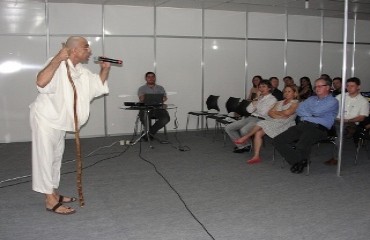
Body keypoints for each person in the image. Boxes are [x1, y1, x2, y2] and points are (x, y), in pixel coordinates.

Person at [29, 36, 111, 214]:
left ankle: (53, 192)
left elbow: (97, 87)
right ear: (73, 50)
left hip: (59, 121)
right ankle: (49, 200)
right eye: (85, 47)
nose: (89, 51)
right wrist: (58, 58)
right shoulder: (56, 63)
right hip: (45, 118)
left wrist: (104, 70)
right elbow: (41, 82)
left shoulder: (81, 70)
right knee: (44, 158)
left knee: (56, 157)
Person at [273, 78, 338, 174]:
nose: (317, 88)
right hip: (304, 125)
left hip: (320, 128)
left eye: (320, 86)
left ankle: (299, 163)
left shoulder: (333, 101)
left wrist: (309, 113)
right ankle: (299, 161)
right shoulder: (311, 99)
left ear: (328, 87)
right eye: (316, 86)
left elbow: (317, 111)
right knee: (278, 140)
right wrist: (311, 113)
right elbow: (299, 110)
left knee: (301, 144)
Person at [234, 85, 299, 164]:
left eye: (289, 91)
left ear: (295, 93)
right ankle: (256, 156)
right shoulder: (279, 102)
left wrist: (277, 113)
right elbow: (270, 113)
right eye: (285, 91)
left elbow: (287, 113)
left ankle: (245, 137)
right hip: (274, 121)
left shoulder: (296, 103)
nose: (286, 93)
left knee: (261, 122)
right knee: (258, 133)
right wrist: (280, 114)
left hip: (286, 124)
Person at [324, 77, 369, 166]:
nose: (349, 88)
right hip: (335, 120)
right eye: (347, 86)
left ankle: (336, 158)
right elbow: (330, 106)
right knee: (318, 124)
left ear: (358, 87)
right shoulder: (340, 96)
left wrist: (347, 120)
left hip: (350, 123)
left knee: (340, 132)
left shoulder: (363, 101)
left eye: (352, 86)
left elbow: (361, 118)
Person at [225, 80, 277, 153]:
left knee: (244, 130)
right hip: (251, 117)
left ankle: (246, 146)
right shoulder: (258, 98)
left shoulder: (272, 99)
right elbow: (248, 110)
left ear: (269, 88)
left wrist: (255, 105)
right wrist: (256, 99)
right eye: (260, 87)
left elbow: (263, 112)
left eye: (264, 86)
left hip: (261, 120)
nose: (261, 89)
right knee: (228, 128)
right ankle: (244, 146)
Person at [138, 72, 170, 140]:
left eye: (153, 77)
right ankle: (149, 134)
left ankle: (149, 133)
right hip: (145, 109)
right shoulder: (142, 88)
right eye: (149, 77)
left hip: (158, 108)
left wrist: (162, 101)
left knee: (166, 118)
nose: (151, 78)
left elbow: (164, 98)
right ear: (146, 78)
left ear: (155, 78)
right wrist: (147, 97)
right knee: (145, 117)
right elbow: (141, 99)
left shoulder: (160, 88)